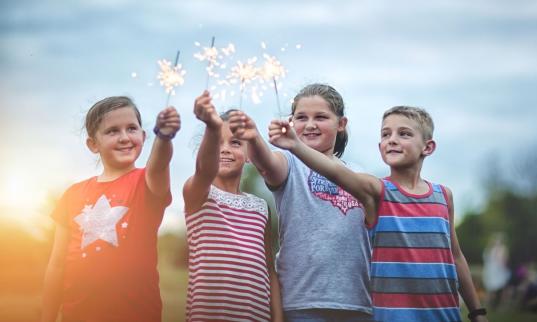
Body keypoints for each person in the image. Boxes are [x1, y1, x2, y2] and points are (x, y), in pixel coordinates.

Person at [268, 105, 488, 322]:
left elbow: (456, 256)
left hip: (445, 314)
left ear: (427, 147)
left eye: (404, 134)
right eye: (386, 134)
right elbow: (335, 171)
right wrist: (295, 146)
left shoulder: (443, 196)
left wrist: (476, 313)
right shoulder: (376, 192)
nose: (392, 139)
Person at [228, 84, 373, 321]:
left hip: (357, 303)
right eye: (301, 117)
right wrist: (253, 138)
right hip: (302, 302)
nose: (310, 124)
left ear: (342, 123)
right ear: (291, 122)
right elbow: (266, 163)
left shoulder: (358, 173)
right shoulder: (289, 162)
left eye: (321, 117)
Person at [41, 96, 181, 322]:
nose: (125, 137)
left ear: (144, 137)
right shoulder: (72, 194)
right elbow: (56, 265)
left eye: (132, 128)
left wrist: (164, 137)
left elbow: (160, 163)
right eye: (112, 131)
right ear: (93, 144)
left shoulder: (146, 182)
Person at [183, 91, 283, 322]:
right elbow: (204, 169)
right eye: (217, 143)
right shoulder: (198, 194)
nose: (225, 149)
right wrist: (211, 126)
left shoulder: (260, 207)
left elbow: (269, 269)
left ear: (249, 155)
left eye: (235, 143)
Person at [483, 233, 511, 309]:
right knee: (491, 288)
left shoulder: (502, 249)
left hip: (499, 271)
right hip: (492, 271)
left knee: (502, 288)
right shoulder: (491, 249)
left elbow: (504, 260)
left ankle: (501, 305)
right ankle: (491, 304)